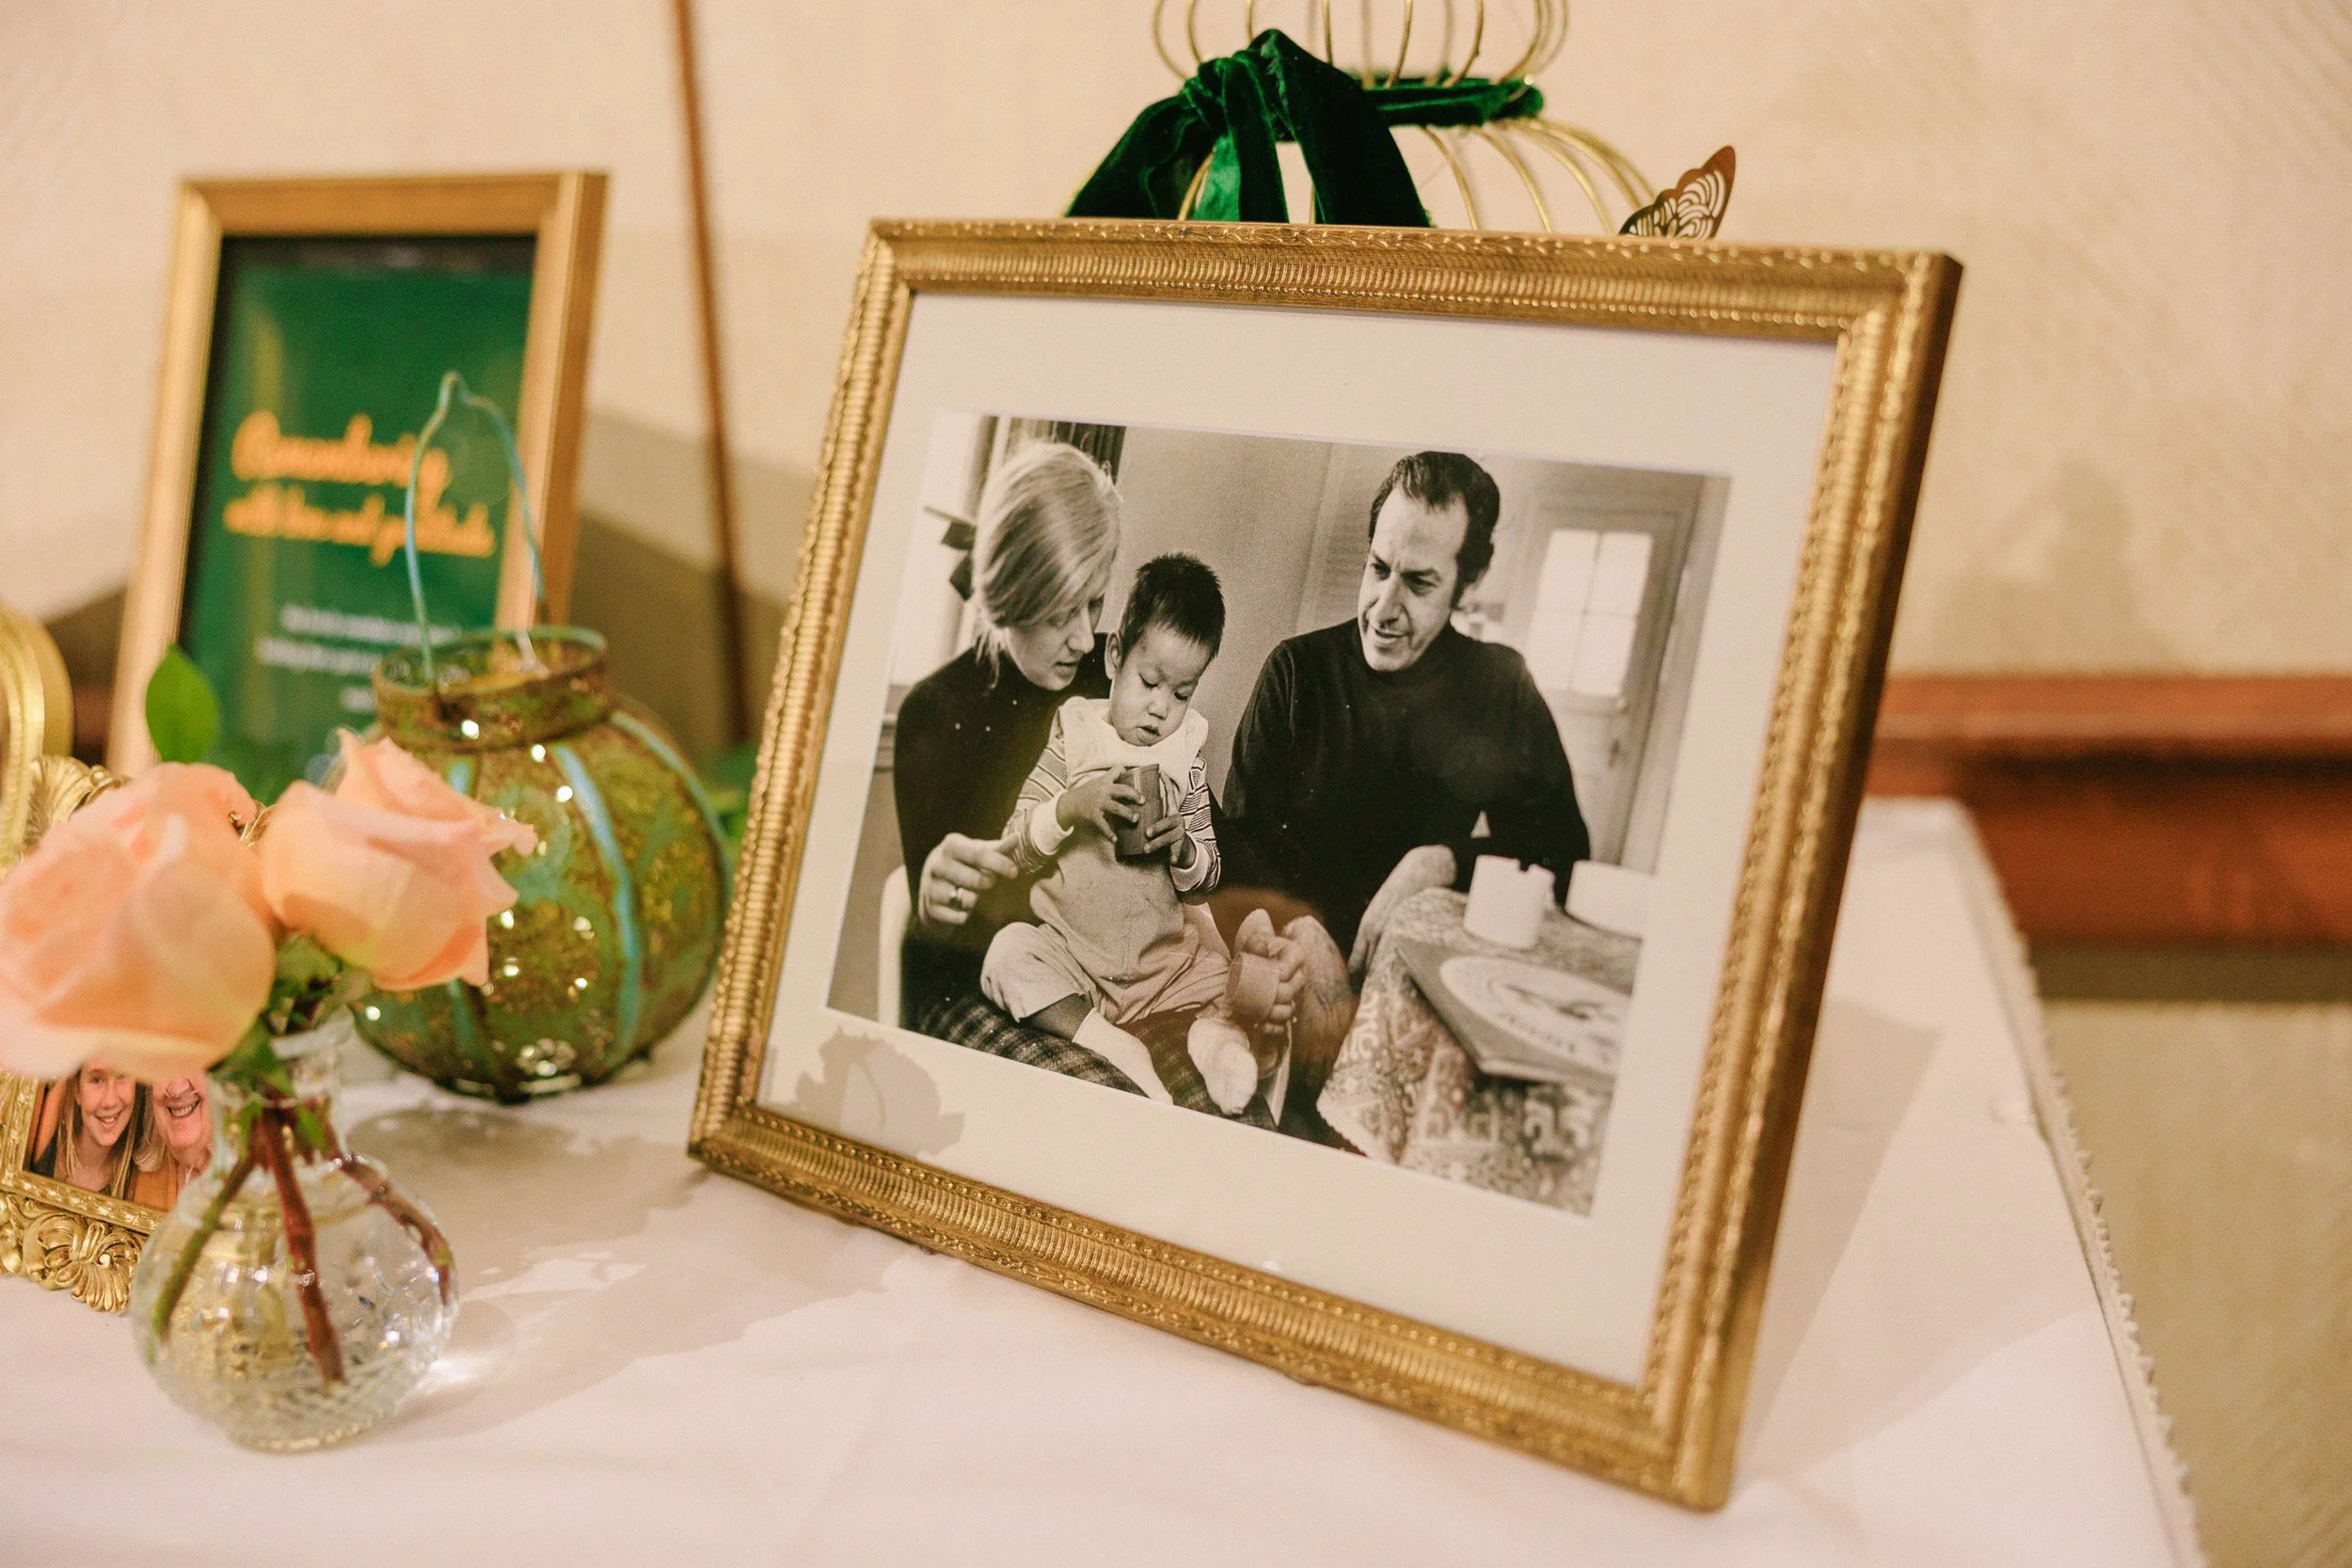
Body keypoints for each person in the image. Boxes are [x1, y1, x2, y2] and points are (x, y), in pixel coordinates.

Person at [1221, 451, 1590, 1134]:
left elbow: (1564, 849)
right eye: (1378, 569)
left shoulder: (1500, 683)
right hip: (1291, 985)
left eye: (1419, 583)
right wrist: (1301, 928)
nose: (1384, 608)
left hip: (1411, 1003)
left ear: (1467, 587)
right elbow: (1234, 842)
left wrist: (1442, 860)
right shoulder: (1296, 670)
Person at [891, 440, 1135, 1084]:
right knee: (1111, 1092)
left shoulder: (1114, 677)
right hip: (970, 990)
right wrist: (933, 898)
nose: (1083, 638)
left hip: (1090, 975)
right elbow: (943, 942)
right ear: (1009, 597)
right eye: (1058, 614)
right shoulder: (932, 711)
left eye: (1094, 603)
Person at [980, 555, 1261, 1111]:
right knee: (1006, 954)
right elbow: (1015, 842)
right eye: (1149, 682)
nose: (1160, 709)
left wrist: (1183, 847)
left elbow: (1208, 875)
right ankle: (1110, 1044)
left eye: (1182, 693)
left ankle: (1214, 1042)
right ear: (1115, 656)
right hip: (1075, 958)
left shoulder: (1186, 757)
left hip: (1165, 968)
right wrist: (1071, 807)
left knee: (1239, 980)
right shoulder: (1076, 737)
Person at [29, 1065, 175, 1206]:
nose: (110, 1101)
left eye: (122, 1075)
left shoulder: (143, 1176)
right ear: (77, 1090)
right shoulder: (38, 1148)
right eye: (96, 1080)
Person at [151, 1074, 214, 1202]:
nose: (176, 1091)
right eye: (163, 1065)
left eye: (193, 1065)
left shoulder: (256, 1193)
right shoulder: (140, 1176)